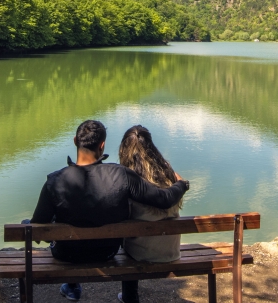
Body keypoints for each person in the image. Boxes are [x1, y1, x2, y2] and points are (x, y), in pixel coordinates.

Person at [28, 120, 189, 302]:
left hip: (67, 255)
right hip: (107, 253)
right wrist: (183, 184)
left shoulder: (55, 181)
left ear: (75, 141)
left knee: (34, 224)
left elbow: (38, 231)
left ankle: (72, 288)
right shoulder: (121, 175)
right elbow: (164, 199)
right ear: (102, 145)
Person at [118, 125, 183, 263]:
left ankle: (131, 286)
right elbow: (180, 186)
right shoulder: (168, 173)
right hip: (171, 252)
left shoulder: (128, 180)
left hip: (140, 253)